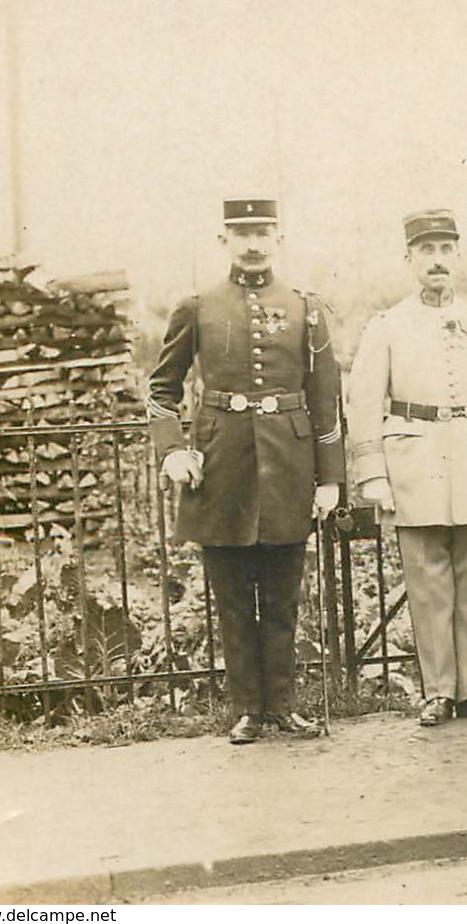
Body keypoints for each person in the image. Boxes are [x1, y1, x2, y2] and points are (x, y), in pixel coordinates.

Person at [147, 198, 343, 745]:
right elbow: (161, 391)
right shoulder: (197, 307)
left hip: (289, 466)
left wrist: (328, 479)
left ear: (278, 237)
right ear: (224, 241)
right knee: (232, 598)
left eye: (262, 232)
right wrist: (173, 451)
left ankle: (282, 706)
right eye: (242, 233)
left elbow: (325, 400)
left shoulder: (306, 307)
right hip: (223, 468)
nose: (253, 243)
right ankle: (247, 712)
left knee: (283, 597)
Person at [346, 209, 467, 727]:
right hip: (414, 460)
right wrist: (374, 475)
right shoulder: (387, 326)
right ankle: (438, 691)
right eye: (427, 251)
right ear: (409, 260)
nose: (438, 261)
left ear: (459, 255)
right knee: (427, 581)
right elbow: (363, 403)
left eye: (447, 250)